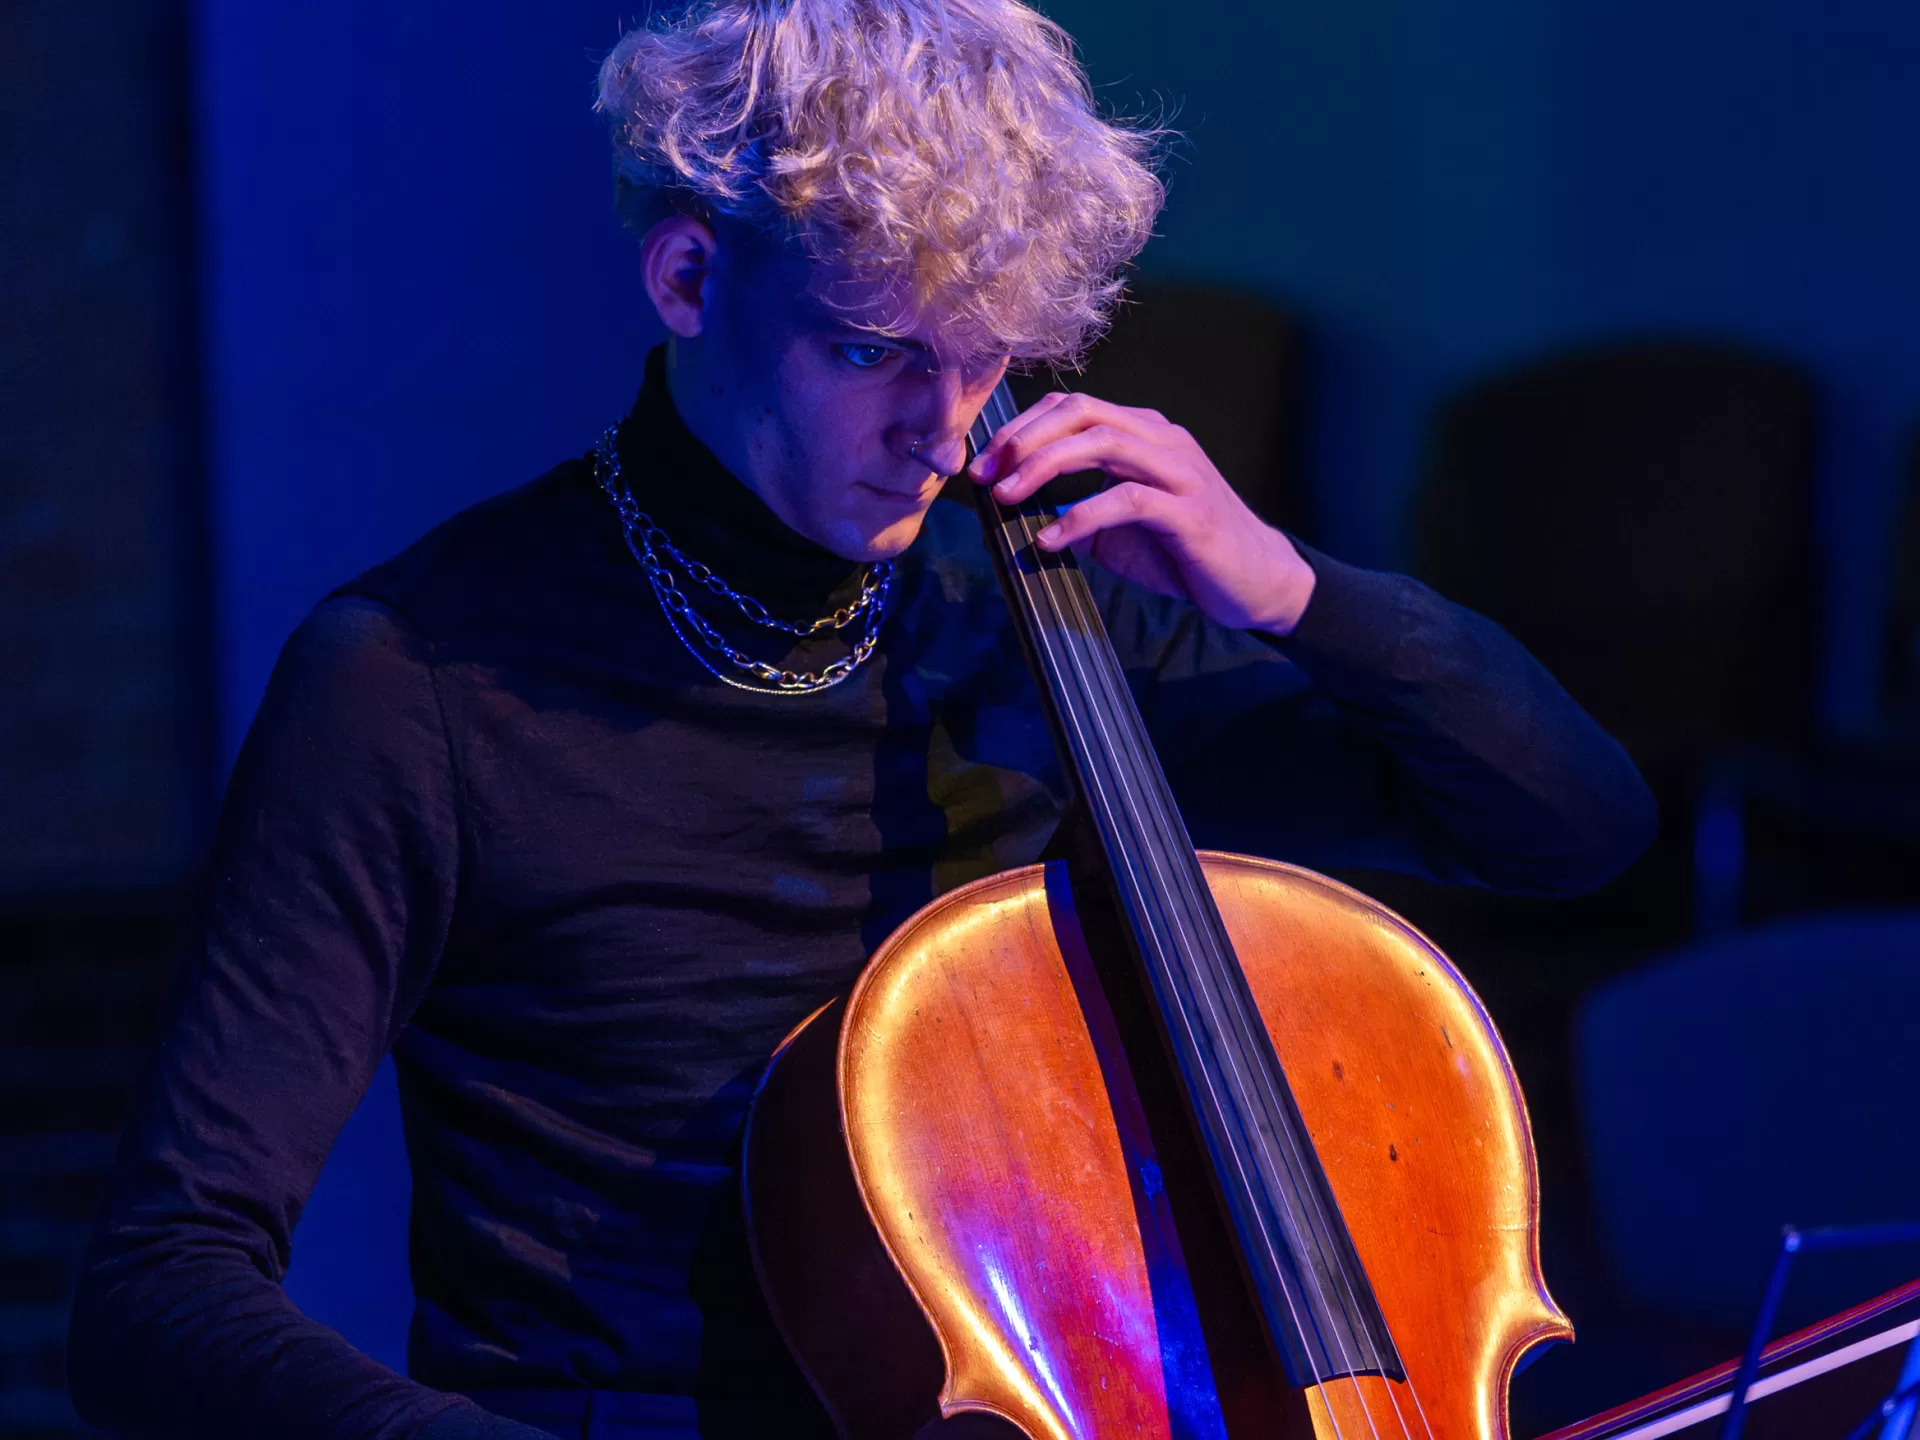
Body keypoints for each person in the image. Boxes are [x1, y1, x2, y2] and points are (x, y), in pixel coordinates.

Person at [67, 0, 1655, 1436]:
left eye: (992, 362)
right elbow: (162, 1289)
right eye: (873, 349)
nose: (943, 432)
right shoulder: (415, 681)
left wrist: (1287, 588)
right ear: (690, 274)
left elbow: (1573, 828)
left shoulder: (1031, 621)